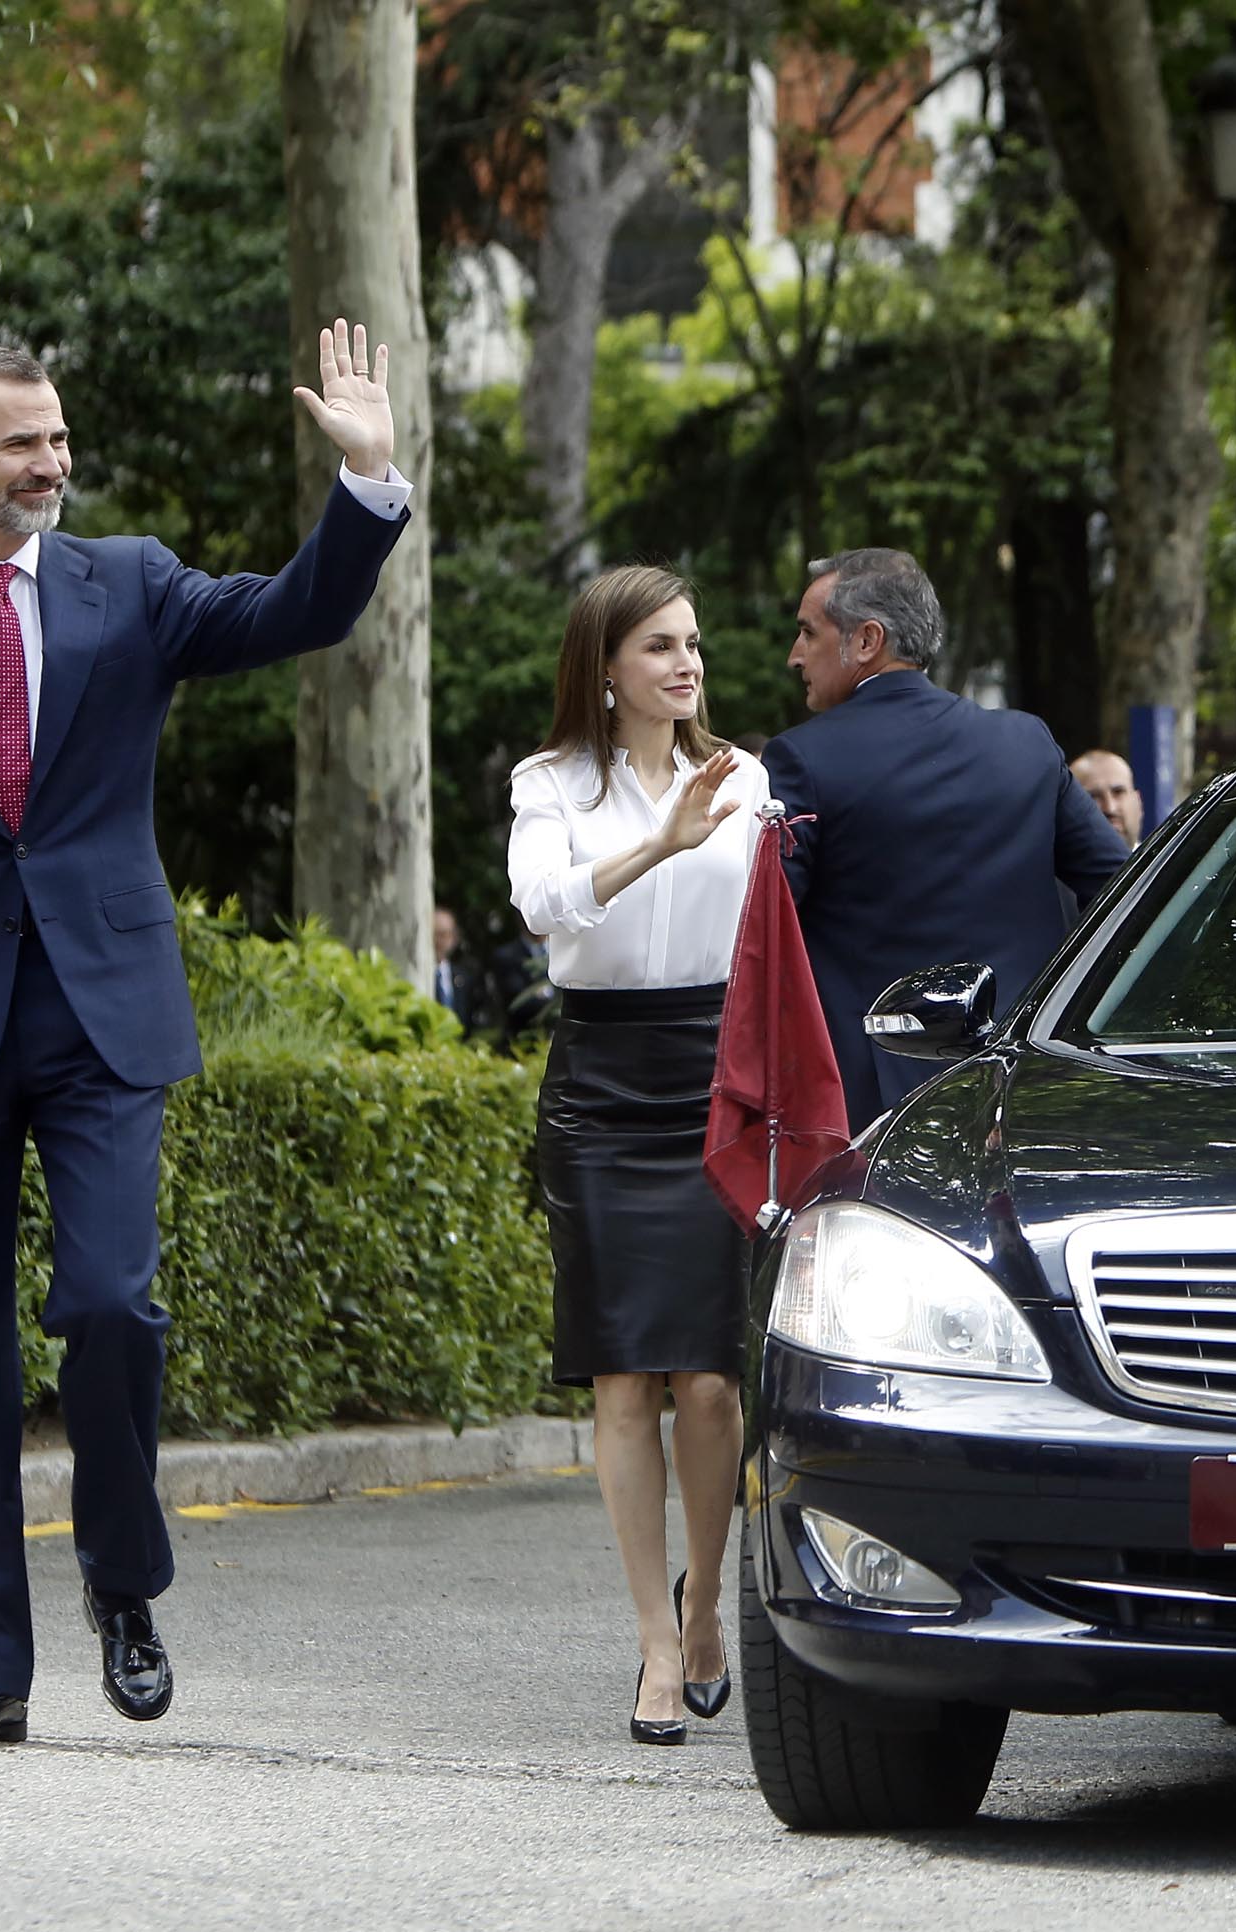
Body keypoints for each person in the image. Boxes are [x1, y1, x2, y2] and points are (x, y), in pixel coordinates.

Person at [0, 323, 413, 1750]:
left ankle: (124, 1583)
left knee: (112, 1303)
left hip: (105, 1011)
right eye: (22, 443)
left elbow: (294, 611)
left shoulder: (131, 584)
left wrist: (364, 486)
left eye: (59, 440)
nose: (52, 464)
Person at [505, 563, 764, 1747]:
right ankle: (656, 1650)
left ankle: (706, 1600)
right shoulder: (551, 780)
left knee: (709, 1379)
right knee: (623, 1378)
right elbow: (544, 905)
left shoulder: (746, 777)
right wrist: (659, 843)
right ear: (606, 666)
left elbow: (775, 933)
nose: (687, 664)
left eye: (694, 644)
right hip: (604, 1088)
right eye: (660, 646)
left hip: (714, 1076)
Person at [765, 548, 1129, 1126]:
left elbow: (765, 926)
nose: (795, 655)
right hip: (1020, 1080)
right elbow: (1123, 892)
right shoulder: (1025, 743)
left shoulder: (801, 759)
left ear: (866, 641)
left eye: (808, 633)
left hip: (868, 1101)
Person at [1070, 747, 1144, 848]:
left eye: (1118, 792)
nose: (1110, 808)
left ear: (1138, 802)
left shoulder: (1166, 862)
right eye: (1093, 797)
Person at [430, 904, 474, 1032]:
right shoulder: (419, 975)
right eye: (437, 934)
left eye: (446, 935)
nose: (441, 941)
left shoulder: (463, 977)